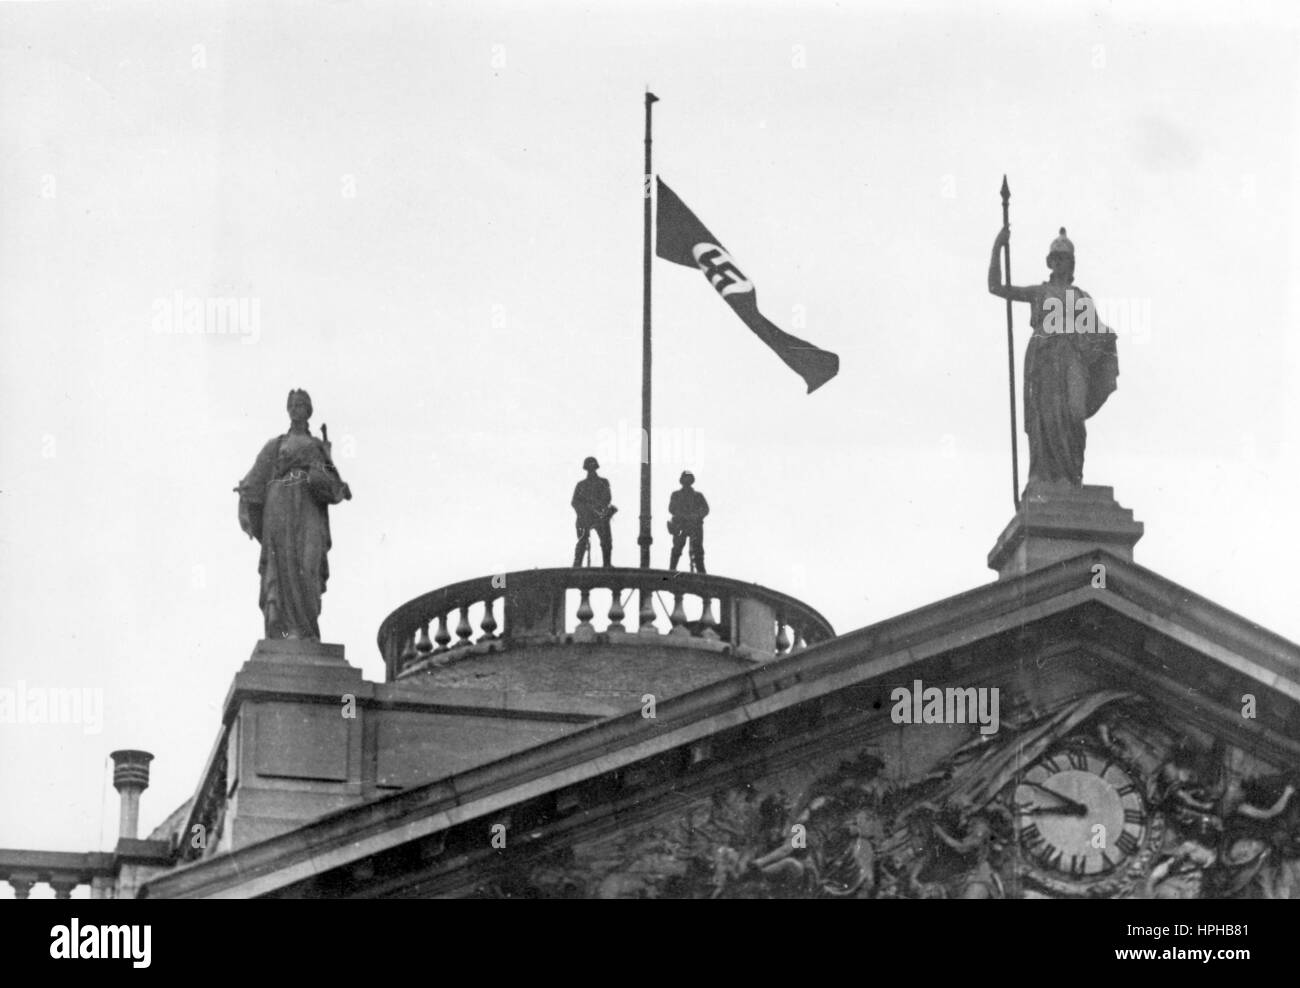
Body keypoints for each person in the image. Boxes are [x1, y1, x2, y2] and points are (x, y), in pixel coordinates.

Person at [988, 225, 1119, 487]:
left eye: (1065, 259)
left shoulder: (1081, 297)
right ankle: (1044, 477)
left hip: (1073, 362)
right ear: (1050, 262)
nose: (1060, 264)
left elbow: (1096, 335)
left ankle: (1072, 477)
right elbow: (996, 287)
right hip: (1044, 360)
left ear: (1071, 264)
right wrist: (998, 246)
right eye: (1056, 259)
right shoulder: (1040, 292)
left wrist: (1106, 338)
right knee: (1045, 417)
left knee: (1073, 415)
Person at [236, 390, 351, 640]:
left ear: (309, 410)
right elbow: (255, 478)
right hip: (279, 506)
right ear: (288, 409)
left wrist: (339, 487)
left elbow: (332, 479)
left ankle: (306, 629)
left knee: (308, 564)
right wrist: (244, 493)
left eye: (302, 404)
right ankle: (284, 629)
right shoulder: (275, 445)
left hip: (308, 505)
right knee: (281, 565)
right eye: (293, 404)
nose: (297, 408)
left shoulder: (319, 446)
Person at [571, 456, 615, 567]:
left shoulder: (603, 482)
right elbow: (574, 502)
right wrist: (584, 511)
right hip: (585, 517)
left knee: (606, 541)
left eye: (593, 467)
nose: (591, 470)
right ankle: (577, 564)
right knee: (582, 541)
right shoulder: (581, 485)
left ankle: (607, 563)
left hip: (600, 516)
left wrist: (599, 508)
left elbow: (607, 498)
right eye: (589, 468)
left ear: (595, 467)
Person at [667, 471, 709, 573]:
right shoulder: (676, 495)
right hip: (681, 525)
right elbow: (671, 508)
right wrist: (682, 515)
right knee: (677, 548)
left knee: (698, 550)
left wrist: (696, 516)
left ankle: (701, 572)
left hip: (695, 525)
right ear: (682, 480)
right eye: (685, 478)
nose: (687, 481)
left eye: (689, 478)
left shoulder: (698, 496)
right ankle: (672, 570)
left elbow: (705, 509)